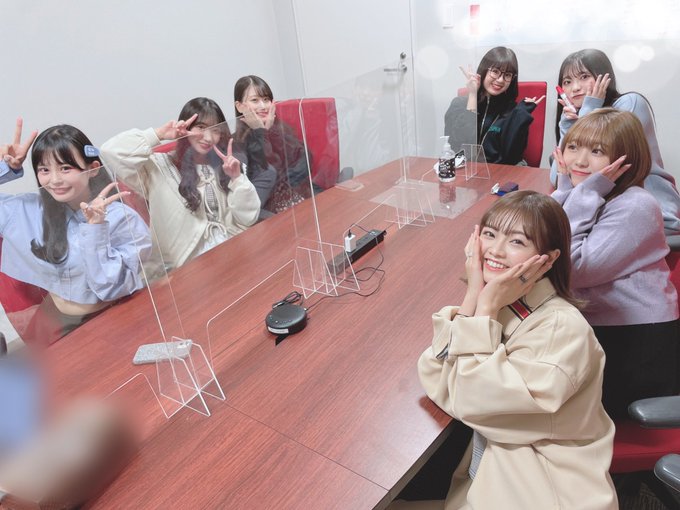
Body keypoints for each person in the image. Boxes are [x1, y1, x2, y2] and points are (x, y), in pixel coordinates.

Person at [390, 190, 617, 510]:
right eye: (489, 234)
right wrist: (474, 294)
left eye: (517, 241)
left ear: (548, 258)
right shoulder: (506, 303)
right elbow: (435, 375)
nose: (495, 250)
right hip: (497, 476)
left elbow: (471, 401)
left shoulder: (560, 330)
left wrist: (485, 307)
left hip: (543, 492)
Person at [552, 108, 679, 420]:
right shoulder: (597, 195)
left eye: (597, 151)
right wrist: (568, 189)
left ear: (626, 160)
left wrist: (584, 191)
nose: (580, 161)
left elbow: (573, 269)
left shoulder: (636, 205)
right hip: (600, 325)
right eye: (573, 147)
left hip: (635, 345)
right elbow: (546, 234)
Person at [0, 123, 151, 345]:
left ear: (93, 168)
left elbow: (109, 288)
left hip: (114, 314)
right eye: (44, 170)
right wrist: (6, 168)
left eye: (65, 168)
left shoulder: (122, 219)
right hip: (54, 317)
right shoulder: (29, 210)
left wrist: (95, 229)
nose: (54, 180)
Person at [101, 97, 261, 269]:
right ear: (186, 128)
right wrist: (159, 134)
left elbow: (248, 218)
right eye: (201, 127)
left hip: (233, 251)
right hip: (187, 267)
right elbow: (109, 152)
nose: (208, 137)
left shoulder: (225, 165)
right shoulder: (158, 167)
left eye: (215, 130)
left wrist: (237, 178)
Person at [551, 48, 680, 235]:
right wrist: (566, 126)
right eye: (567, 81)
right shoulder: (576, 116)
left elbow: (604, 169)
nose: (575, 87)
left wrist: (588, 110)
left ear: (604, 77)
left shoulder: (630, 103)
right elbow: (557, 177)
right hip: (603, 207)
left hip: (649, 211)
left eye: (584, 77)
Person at [443, 46, 544, 166]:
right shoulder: (459, 105)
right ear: (484, 70)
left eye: (507, 75)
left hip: (500, 172)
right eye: (495, 71)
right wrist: (473, 95)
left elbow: (512, 157)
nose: (500, 80)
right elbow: (458, 147)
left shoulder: (513, 111)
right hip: (466, 171)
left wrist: (521, 116)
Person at [233, 75, 311, 217]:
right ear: (239, 106)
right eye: (255, 100)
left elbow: (305, 161)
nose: (263, 106)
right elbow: (266, 174)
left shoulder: (280, 129)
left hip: (297, 198)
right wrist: (260, 132)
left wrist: (269, 132)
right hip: (267, 211)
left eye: (266, 99)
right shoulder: (236, 143)